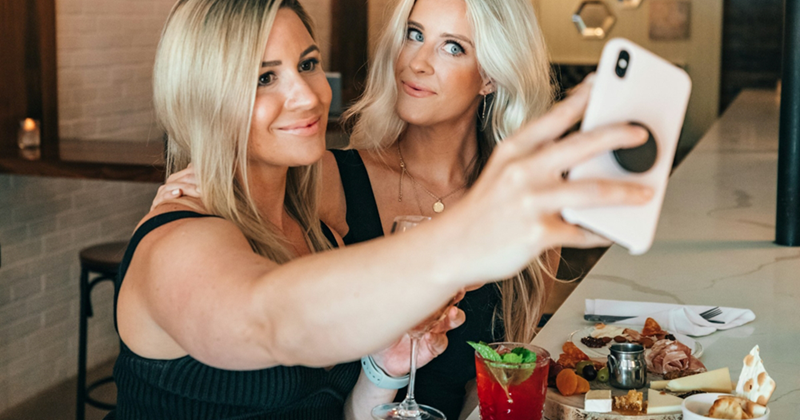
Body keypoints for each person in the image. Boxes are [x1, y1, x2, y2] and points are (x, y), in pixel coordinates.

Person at [137, 0, 652, 418]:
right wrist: (463, 240)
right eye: (263, 78)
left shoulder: (305, 224)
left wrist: (377, 383)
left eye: (308, 65)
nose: (308, 97)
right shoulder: (179, 241)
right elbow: (270, 321)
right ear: (203, 95)